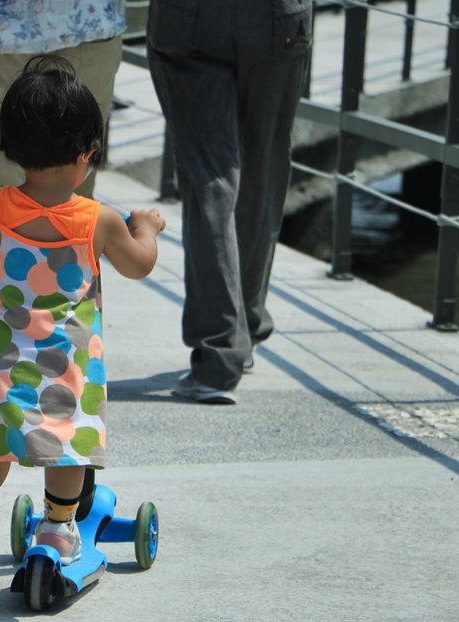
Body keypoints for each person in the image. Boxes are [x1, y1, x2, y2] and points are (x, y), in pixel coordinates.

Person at [0, 55, 164, 622]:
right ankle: (57, 532)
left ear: (11, 146)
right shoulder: (98, 220)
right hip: (65, 374)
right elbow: (139, 265)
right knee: (66, 452)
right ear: (86, 155)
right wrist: (144, 228)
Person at [146, 0, 312, 404]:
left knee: (210, 177)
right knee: (263, 167)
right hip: (278, 15)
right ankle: (245, 329)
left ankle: (219, 355)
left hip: (190, 15)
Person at [0, 0, 127, 198]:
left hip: (5, 35)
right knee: (77, 177)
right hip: (91, 28)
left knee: (8, 182)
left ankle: (11, 228)